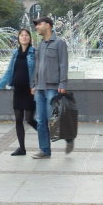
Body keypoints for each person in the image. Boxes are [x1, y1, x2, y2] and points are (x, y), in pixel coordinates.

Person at [31, 16, 71, 159]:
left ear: (48, 25)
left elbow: (63, 64)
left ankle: (68, 137)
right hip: (40, 89)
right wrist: (34, 84)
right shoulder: (40, 44)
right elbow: (37, 66)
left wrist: (63, 83)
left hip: (53, 88)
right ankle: (45, 150)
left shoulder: (59, 43)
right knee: (41, 121)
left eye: (38, 24)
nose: (36, 27)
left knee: (52, 120)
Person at [0, 28, 38, 156]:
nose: (24, 37)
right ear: (18, 38)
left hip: (30, 91)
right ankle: (22, 149)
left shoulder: (34, 53)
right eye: (22, 35)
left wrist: (36, 85)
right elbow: (9, 71)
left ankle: (45, 133)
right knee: (18, 119)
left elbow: (38, 71)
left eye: (26, 35)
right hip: (18, 90)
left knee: (29, 119)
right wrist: (0, 85)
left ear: (30, 38)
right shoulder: (15, 53)